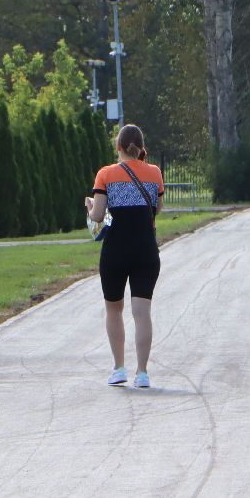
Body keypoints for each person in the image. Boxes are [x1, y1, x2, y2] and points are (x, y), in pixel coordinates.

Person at [85, 124, 163, 387]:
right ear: (141, 147)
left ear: (118, 147)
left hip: (115, 250)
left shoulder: (106, 174)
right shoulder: (155, 173)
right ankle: (142, 373)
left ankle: (119, 368)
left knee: (114, 310)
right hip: (145, 250)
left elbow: (97, 216)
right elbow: (158, 208)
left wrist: (89, 206)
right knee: (142, 313)